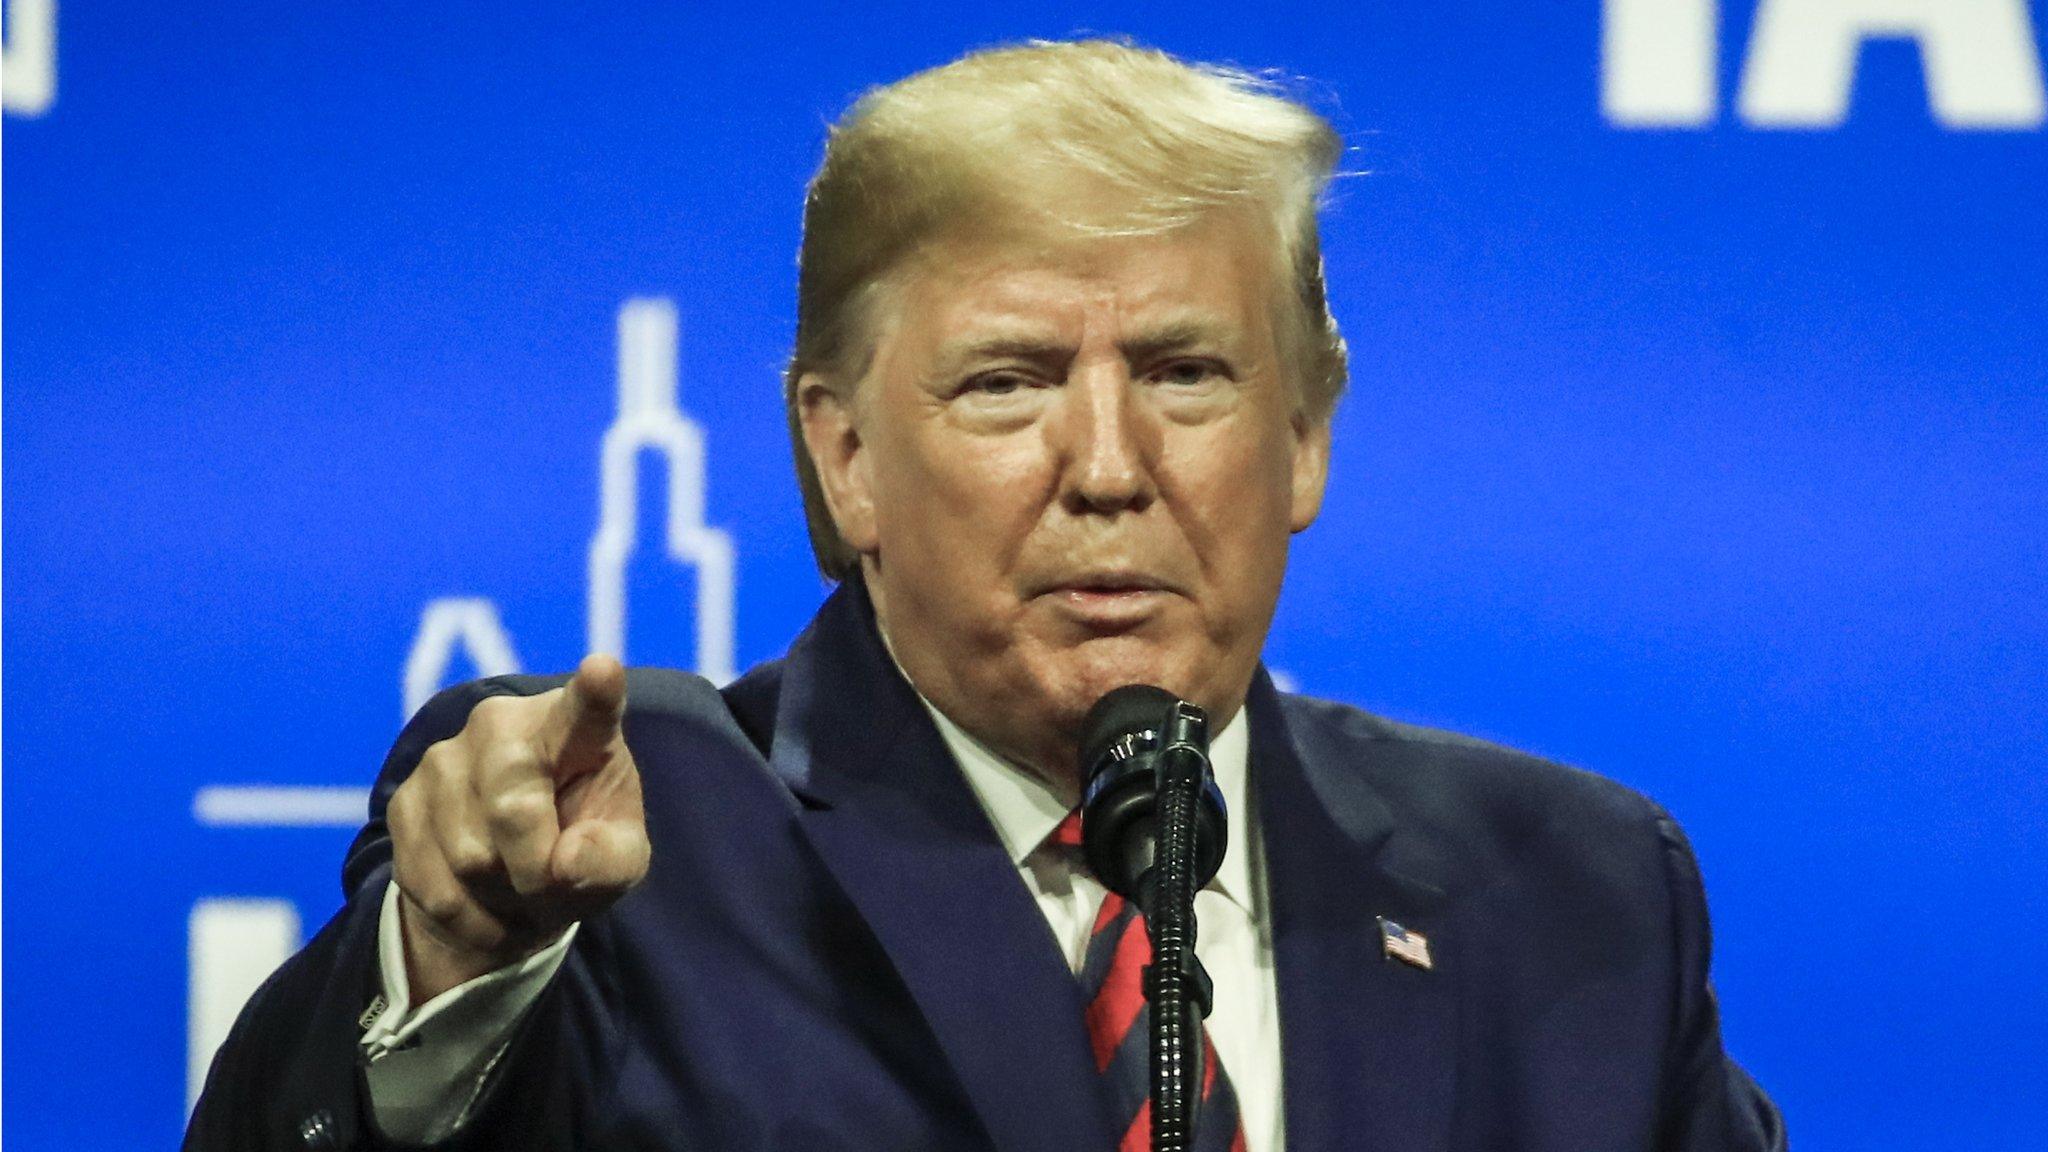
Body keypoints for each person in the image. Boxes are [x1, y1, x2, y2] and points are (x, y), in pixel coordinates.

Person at [186, 39, 1784, 1152]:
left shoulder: (1575, 898)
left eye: (1185, 372)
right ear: (845, 457)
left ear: (1304, 435)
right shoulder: (637, 840)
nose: (1107, 466)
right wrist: (462, 969)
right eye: (1011, 382)